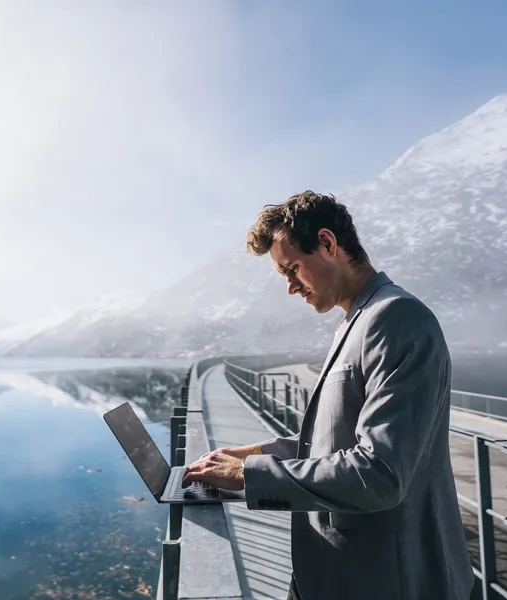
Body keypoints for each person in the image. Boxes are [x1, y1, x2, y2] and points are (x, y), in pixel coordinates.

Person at [181, 191, 475, 600]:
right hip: (331, 574)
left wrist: (248, 475)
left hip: (384, 580)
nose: (290, 287)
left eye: (292, 269)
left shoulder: (396, 318)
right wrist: (250, 454)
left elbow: (380, 473)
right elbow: (333, 442)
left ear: (327, 243)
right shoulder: (356, 320)